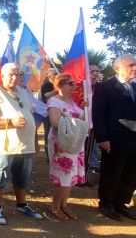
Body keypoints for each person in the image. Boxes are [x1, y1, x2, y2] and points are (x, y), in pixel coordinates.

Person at [0, 63, 42, 225]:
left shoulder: (23, 93)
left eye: (18, 74)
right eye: (11, 74)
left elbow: (30, 118)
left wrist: (35, 141)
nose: (15, 77)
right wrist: (10, 122)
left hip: (26, 145)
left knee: (22, 178)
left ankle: (21, 205)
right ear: (2, 77)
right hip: (4, 147)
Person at [92, 54, 136, 221]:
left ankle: (121, 202)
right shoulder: (105, 87)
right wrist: (102, 138)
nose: (135, 68)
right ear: (117, 68)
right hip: (114, 139)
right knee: (112, 172)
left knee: (131, 173)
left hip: (134, 139)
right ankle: (106, 203)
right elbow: (98, 115)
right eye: (131, 65)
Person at [46, 73, 86, 220]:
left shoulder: (73, 102)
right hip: (61, 144)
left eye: (73, 83)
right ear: (59, 85)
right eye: (69, 83)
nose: (73, 86)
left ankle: (64, 204)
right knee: (63, 176)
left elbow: (80, 119)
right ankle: (55, 206)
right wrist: (78, 122)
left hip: (75, 143)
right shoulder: (54, 101)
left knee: (71, 176)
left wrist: (83, 111)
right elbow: (55, 123)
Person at [39, 68, 58, 160]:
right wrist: (57, 90)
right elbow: (46, 97)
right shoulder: (46, 85)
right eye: (55, 74)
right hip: (48, 114)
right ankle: (49, 155)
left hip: (59, 113)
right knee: (49, 134)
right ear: (49, 76)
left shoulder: (59, 85)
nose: (57, 75)